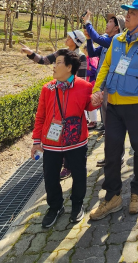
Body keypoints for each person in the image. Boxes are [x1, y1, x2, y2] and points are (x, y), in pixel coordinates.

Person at [88, 0, 138, 219]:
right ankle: (113, 197)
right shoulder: (117, 41)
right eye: (127, 12)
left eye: (132, 13)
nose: (127, 16)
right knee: (111, 153)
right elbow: (106, 66)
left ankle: (137, 193)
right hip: (113, 107)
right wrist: (97, 89)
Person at [31, 49, 94, 227]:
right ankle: (55, 207)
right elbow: (40, 116)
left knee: (79, 174)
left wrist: (97, 99)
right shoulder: (47, 89)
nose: (54, 65)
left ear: (68, 67)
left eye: (58, 62)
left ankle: (77, 205)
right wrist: (36, 141)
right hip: (51, 143)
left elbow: (89, 107)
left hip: (76, 141)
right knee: (50, 176)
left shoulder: (84, 86)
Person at [22, 30, 88, 179]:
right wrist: (31, 53)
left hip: (72, 99)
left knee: (71, 131)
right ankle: (60, 161)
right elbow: (44, 60)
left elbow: (82, 80)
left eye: (70, 37)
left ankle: (69, 165)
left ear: (76, 41)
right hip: (58, 95)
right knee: (57, 128)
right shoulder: (61, 52)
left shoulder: (81, 57)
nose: (67, 38)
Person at [83, 12, 126, 160]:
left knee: (113, 123)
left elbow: (97, 38)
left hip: (113, 86)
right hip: (104, 86)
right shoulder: (107, 41)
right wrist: (89, 39)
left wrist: (88, 23)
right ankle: (111, 155)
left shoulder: (115, 40)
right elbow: (92, 52)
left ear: (117, 28)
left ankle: (117, 156)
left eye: (110, 22)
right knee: (107, 123)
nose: (107, 24)